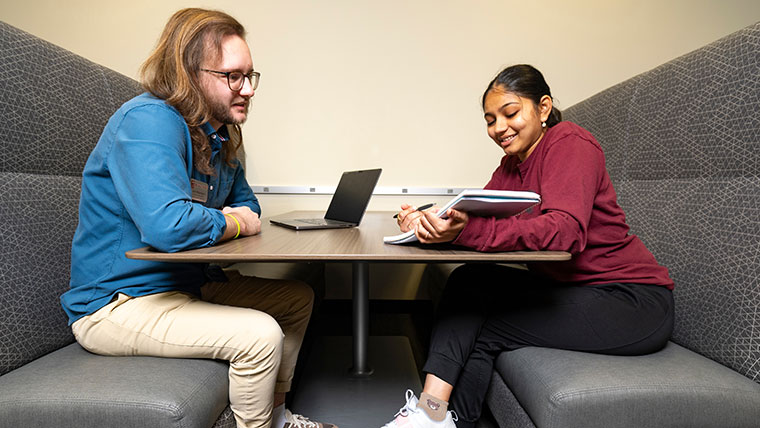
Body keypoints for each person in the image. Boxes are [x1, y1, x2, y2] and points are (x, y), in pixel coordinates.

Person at [60, 8, 336, 428]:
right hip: (117, 306)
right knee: (260, 336)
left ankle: (277, 419)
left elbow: (249, 207)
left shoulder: (219, 135)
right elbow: (169, 226)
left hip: (186, 285)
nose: (247, 89)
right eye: (233, 76)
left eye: (250, 75)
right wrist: (233, 222)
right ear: (190, 73)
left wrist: (226, 219)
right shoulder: (149, 121)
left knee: (296, 299)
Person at [381, 64, 674, 428]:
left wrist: (464, 230)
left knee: (477, 323)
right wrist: (424, 223)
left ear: (544, 108)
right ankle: (440, 418)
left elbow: (564, 231)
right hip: (571, 288)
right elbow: (468, 218)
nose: (498, 128)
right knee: (468, 281)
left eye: (510, 113)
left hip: (630, 302)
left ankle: (430, 416)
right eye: (490, 120)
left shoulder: (570, 142)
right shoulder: (511, 165)